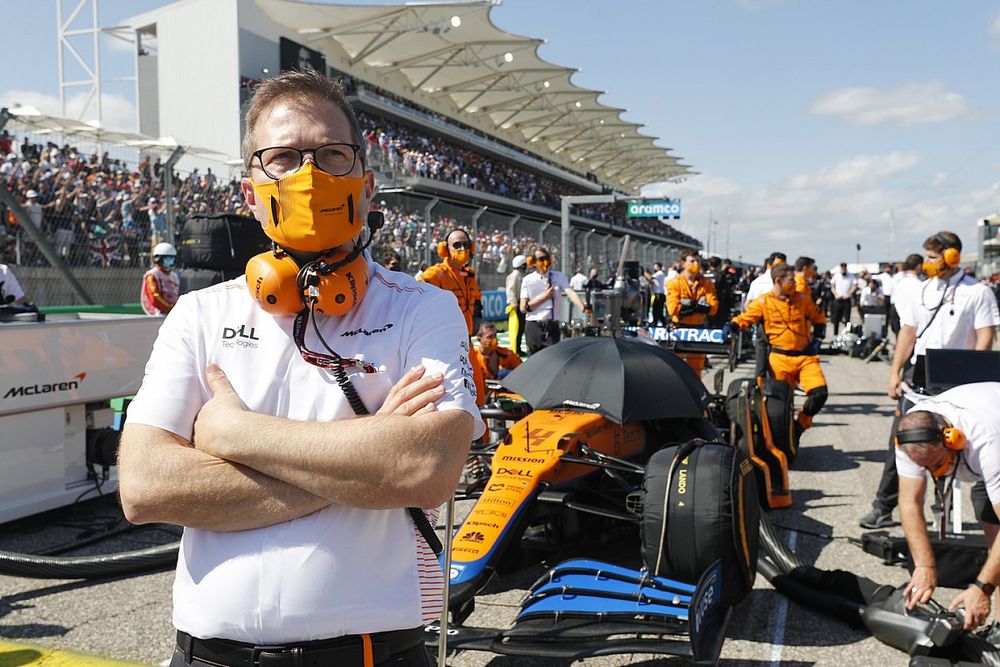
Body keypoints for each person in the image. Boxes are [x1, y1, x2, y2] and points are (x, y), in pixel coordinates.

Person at [118, 69, 481, 667]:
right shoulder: (197, 315)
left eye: (332, 155)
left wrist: (233, 434)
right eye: (283, 157)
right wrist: (367, 459)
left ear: (366, 186)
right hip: (209, 656)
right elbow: (146, 487)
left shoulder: (426, 306)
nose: (310, 176)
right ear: (249, 193)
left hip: (372, 654)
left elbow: (426, 468)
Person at [862, 232, 999, 529]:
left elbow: (986, 335)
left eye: (933, 257)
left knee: (959, 447)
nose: (927, 263)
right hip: (920, 377)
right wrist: (895, 371)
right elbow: (908, 333)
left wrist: (972, 374)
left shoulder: (978, 292)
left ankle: (956, 513)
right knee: (904, 439)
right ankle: (883, 506)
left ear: (952, 257)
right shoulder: (920, 291)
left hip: (960, 381)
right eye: (926, 256)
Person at [895, 383, 1000, 630]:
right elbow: (909, 501)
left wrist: (982, 587)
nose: (935, 473)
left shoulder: (987, 442)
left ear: (952, 438)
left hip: (995, 437)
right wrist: (924, 565)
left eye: (938, 463)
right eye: (926, 468)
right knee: (991, 531)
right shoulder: (910, 437)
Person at [727, 262, 828, 437]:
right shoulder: (763, 301)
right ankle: (785, 438)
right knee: (781, 406)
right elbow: (746, 318)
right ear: (779, 281)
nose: (795, 284)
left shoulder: (802, 300)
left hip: (805, 357)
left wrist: (818, 336)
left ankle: (800, 426)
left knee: (820, 393)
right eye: (791, 281)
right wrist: (732, 326)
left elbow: (818, 317)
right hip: (779, 359)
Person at [520, 246, 587, 354]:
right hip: (534, 325)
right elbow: (523, 308)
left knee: (553, 358)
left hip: (551, 325)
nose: (545, 261)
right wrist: (544, 297)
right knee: (534, 361)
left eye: (546, 258)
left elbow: (569, 291)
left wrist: (583, 306)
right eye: (541, 259)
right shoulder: (528, 280)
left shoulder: (558, 276)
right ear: (533, 262)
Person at [418, 227, 483, 336]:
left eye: (466, 245)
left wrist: (476, 318)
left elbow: (477, 301)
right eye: (457, 245)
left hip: (467, 337)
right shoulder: (436, 273)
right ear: (445, 249)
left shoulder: (470, 274)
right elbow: (416, 292)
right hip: (445, 338)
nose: (462, 249)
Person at [665, 251, 718, 376]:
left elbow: (714, 308)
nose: (696, 264)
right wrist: (699, 306)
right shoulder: (674, 283)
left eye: (698, 261)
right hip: (679, 330)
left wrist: (688, 305)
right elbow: (673, 309)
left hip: (698, 331)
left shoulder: (707, 283)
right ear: (683, 263)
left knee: (696, 370)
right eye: (692, 261)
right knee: (675, 369)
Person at [745, 252, 787, 377]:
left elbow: (747, 305)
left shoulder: (757, 281)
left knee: (761, 358)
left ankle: (760, 386)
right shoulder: (783, 281)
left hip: (762, 323)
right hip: (781, 325)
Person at [469, 322, 521, 406]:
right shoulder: (473, 359)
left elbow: (522, 372)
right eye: (490, 337)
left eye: (495, 335)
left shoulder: (507, 353)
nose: (494, 339)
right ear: (479, 339)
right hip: (483, 399)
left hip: (507, 395)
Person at [140, 242, 180, 316]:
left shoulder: (174, 276)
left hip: (174, 312)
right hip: (158, 313)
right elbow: (154, 296)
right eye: (168, 259)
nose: (171, 262)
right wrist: (170, 307)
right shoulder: (152, 275)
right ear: (159, 259)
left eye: (173, 259)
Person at [505, 254, 527, 355]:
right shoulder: (513, 276)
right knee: (517, 328)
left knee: (521, 327)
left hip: (521, 303)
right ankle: (516, 348)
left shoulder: (521, 276)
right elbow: (511, 291)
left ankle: (518, 348)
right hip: (516, 305)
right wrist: (513, 303)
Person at [830, 262, 858, 335]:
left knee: (847, 319)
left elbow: (855, 285)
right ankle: (835, 335)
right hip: (838, 299)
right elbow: (832, 285)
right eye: (842, 268)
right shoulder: (836, 276)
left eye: (844, 267)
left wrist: (849, 294)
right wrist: (835, 294)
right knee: (836, 319)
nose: (843, 269)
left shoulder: (851, 276)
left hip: (846, 299)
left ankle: (846, 334)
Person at [649, 261, 667, 326]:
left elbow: (650, 277)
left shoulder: (660, 273)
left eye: (655, 267)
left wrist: (644, 273)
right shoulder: (658, 274)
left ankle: (663, 323)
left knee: (658, 310)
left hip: (659, 295)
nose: (654, 268)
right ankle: (655, 322)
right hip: (657, 294)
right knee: (655, 309)